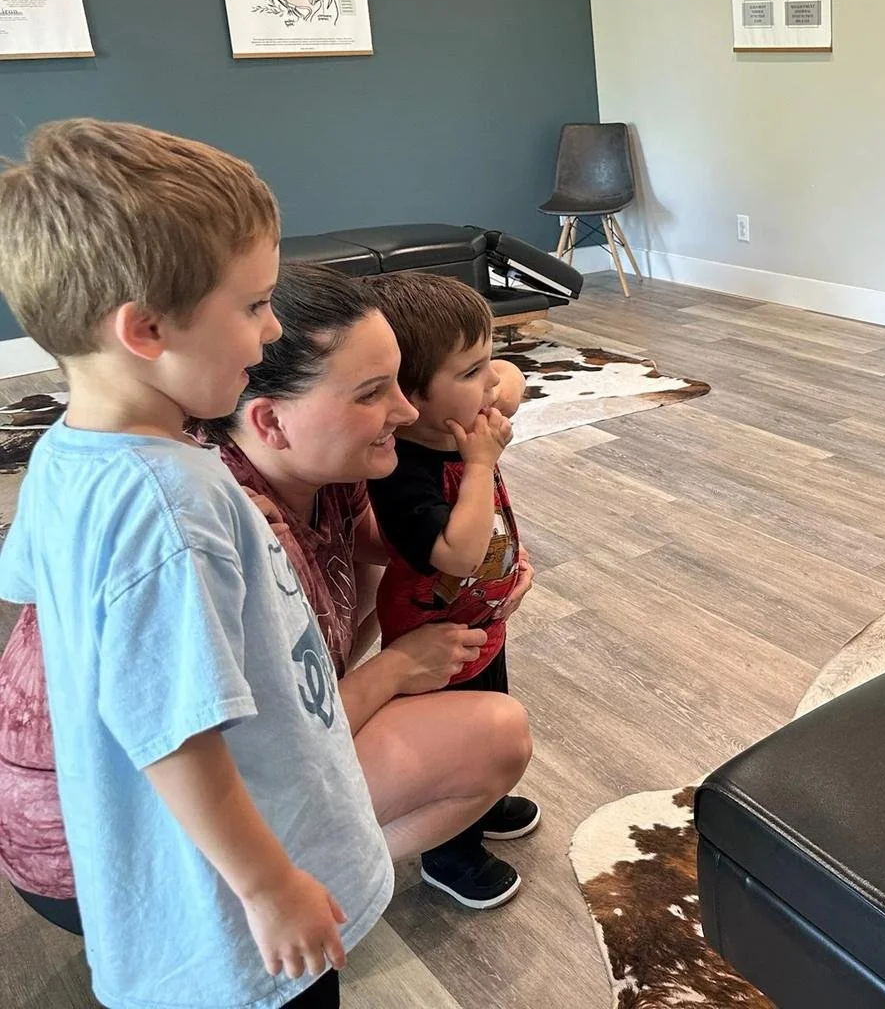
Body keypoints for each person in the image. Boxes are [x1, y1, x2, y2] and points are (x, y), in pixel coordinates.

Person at [0, 262, 537, 932]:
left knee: (377, 583)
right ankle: (253, 909)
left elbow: (406, 545)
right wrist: (397, 668)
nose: (403, 413)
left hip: (180, 786)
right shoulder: (217, 530)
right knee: (495, 735)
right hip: (111, 861)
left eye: (402, 382)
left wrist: (487, 575)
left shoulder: (324, 466)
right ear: (270, 421)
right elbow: (251, 739)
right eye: (373, 393)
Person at [0, 119, 390, 1008]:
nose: (273, 326)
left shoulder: (67, 454)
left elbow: (24, 584)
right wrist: (270, 888)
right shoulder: (170, 500)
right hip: (236, 912)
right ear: (144, 329)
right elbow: (172, 731)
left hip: (189, 878)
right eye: (252, 304)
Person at [359, 271, 538, 909]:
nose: (490, 383)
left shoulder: (457, 422)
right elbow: (459, 554)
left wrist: (491, 373)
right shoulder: (404, 472)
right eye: (469, 373)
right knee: (462, 718)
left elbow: (510, 382)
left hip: (484, 616)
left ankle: (483, 790)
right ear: (408, 397)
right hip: (434, 628)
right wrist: (484, 462)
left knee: (493, 696)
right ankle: (451, 855)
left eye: (485, 363)